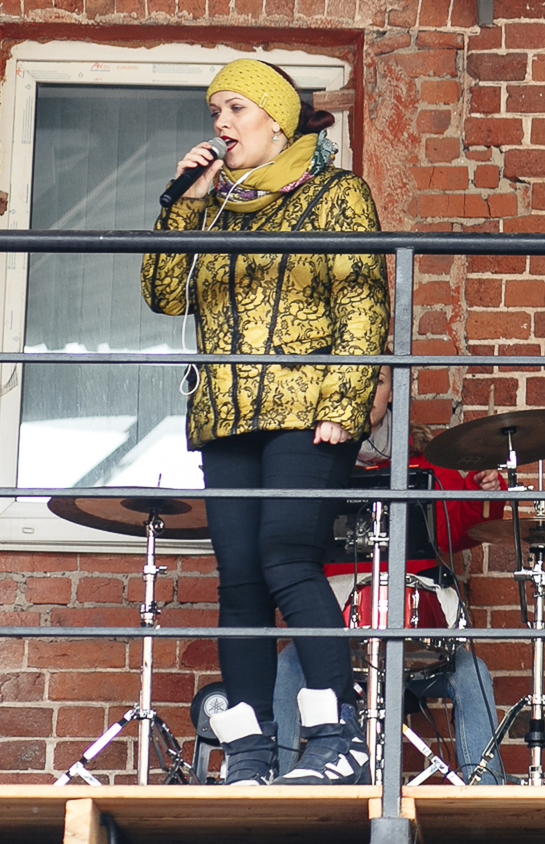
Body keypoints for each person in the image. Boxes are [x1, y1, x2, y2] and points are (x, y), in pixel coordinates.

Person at [141, 58, 389, 786]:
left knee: (286, 555)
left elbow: (362, 302)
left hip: (307, 411)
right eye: (214, 111)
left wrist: (345, 404)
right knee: (240, 580)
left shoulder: (337, 193)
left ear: (276, 121)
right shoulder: (215, 206)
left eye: (235, 109)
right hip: (226, 415)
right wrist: (185, 204)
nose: (220, 123)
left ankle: (337, 737)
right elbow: (164, 293)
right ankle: (249, 749)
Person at [272, 367, 505, 785]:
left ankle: (484, 794)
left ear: (392, 391)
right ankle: (280, 791)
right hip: (337, 635)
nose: (366, 391)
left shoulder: (428, 463)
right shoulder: (311, 463)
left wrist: (480, 493)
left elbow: (456, 533)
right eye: (357, 377)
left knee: (472, 672)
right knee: (288, 666)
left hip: (415, 637)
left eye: (377, 381)